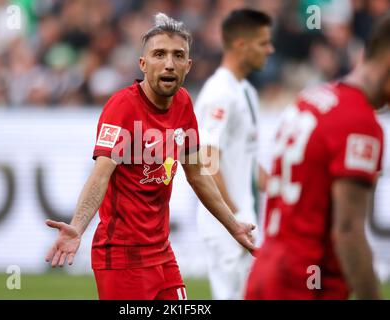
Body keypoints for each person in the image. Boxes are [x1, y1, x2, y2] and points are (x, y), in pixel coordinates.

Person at [44, 12, 256, 300]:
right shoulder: (122, 107)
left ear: (188, 65)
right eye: (159, 54)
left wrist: (233, 226)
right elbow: (101, 173)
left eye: (177, 55)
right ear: (143, 64)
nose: (169, 63)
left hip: (162, 253)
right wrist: (78, 226)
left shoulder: (183, 104)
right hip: (121, 257)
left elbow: (196, 172)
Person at [245, 13, 390, 300]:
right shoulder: (358, 122)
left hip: (268, 270)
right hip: (305, 281)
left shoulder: (312, 98)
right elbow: (347, 230)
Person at [195, 9, 274, 300]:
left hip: (245, 220)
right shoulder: (219, 93)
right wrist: (234, 217)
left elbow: (248, 162)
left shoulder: (245, 92)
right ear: (241, 44)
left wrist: (287, 188)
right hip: (229, 223)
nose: (270, 49)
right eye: (263, 43)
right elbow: (206, 161)